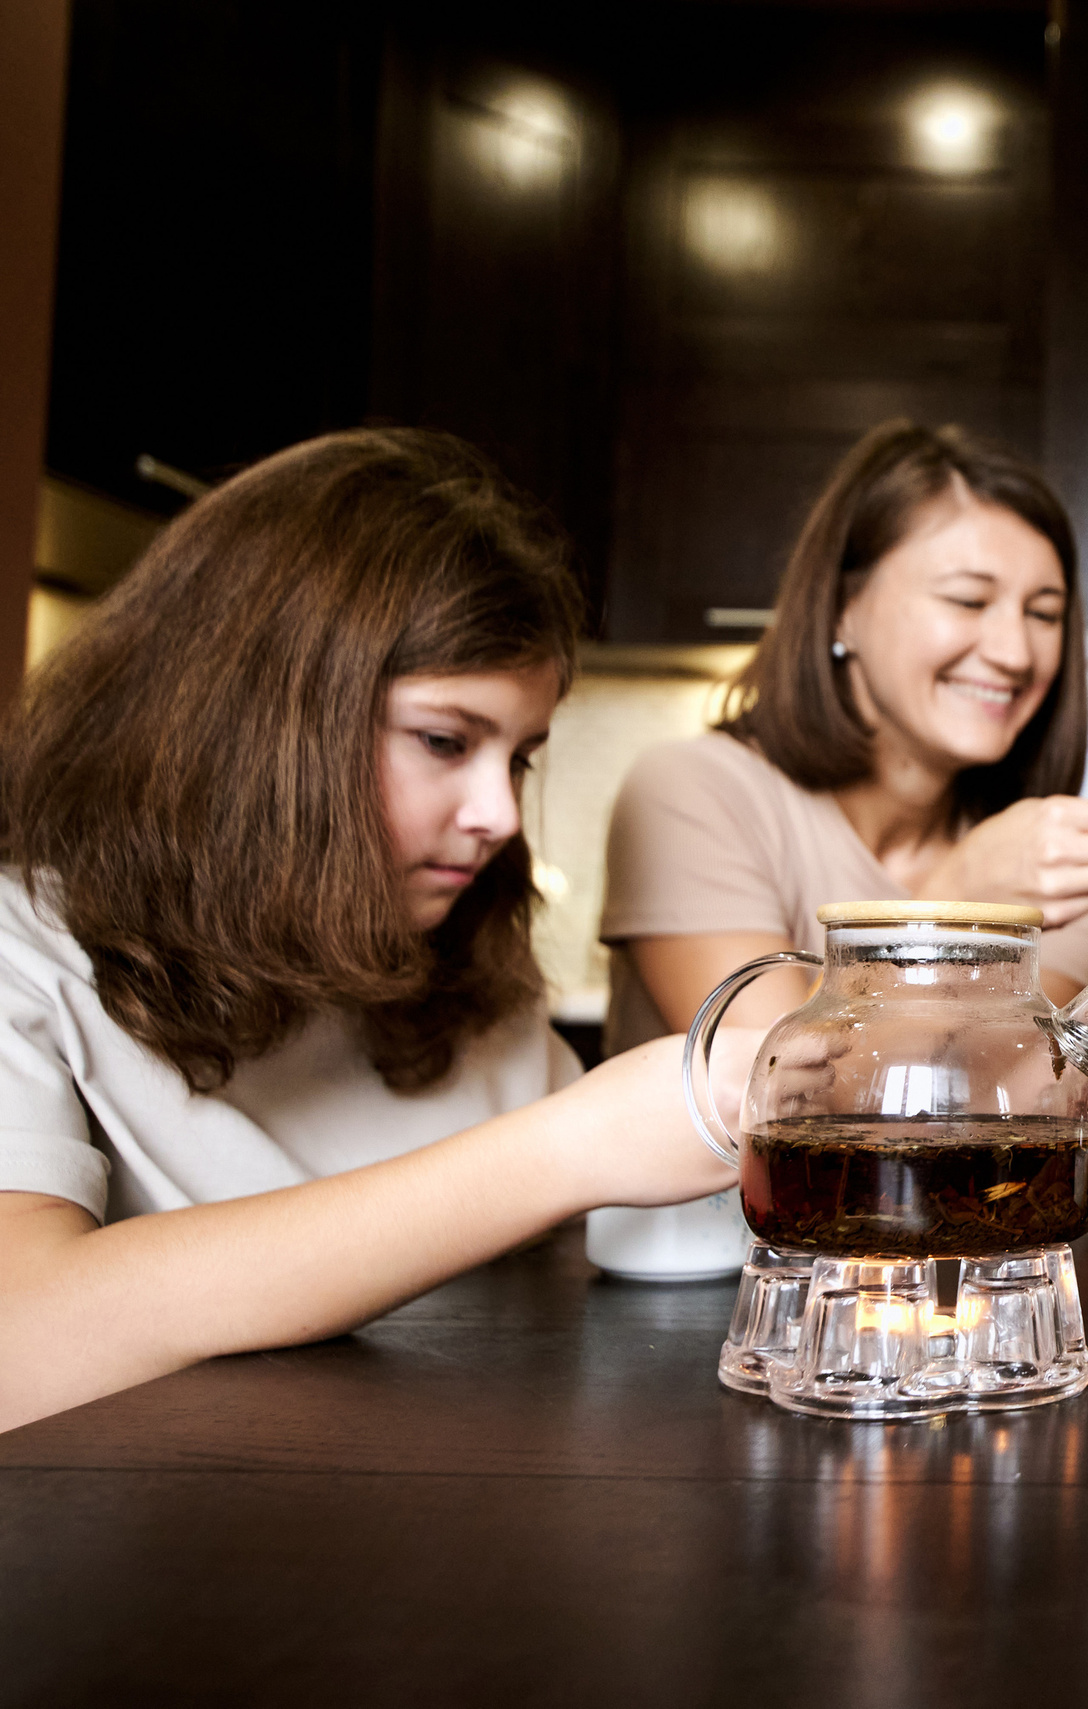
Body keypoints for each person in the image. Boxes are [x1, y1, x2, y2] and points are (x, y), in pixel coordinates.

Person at [0, 429, 742, 1431]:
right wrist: (565, 1147)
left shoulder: (462, 971)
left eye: (519, 756)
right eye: (444, 740)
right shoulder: (24, 950)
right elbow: (21, 1342)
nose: (500, 815)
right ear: (260, 718)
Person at [601, 421, 1088, 1049]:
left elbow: (1034, 1092)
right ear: (844, 610)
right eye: (968, 599)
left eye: (1044, 613)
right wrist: (957, 896)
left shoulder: (1041, 855)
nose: (1016, 652)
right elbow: (784, 1090)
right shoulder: (690, 794)